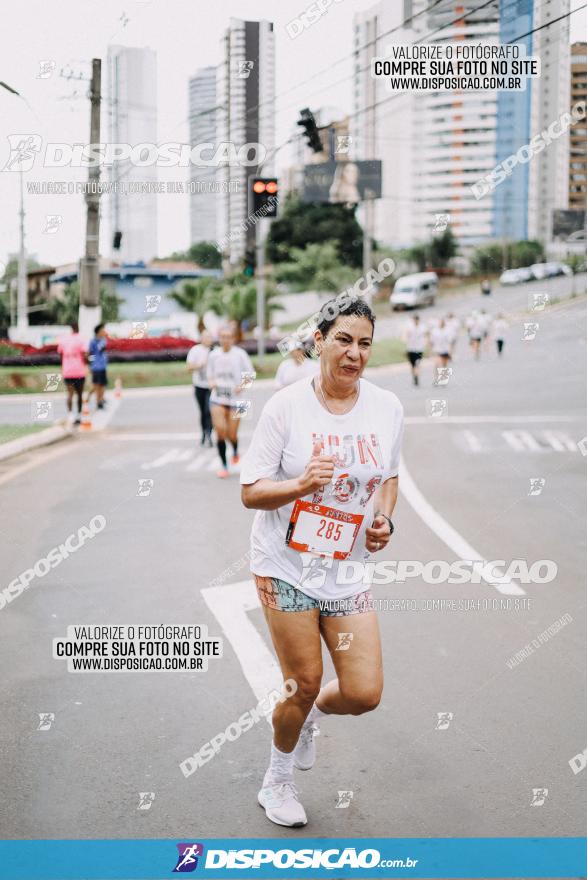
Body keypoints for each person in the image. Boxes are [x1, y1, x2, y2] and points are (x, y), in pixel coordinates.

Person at [240, 297, 404, 827]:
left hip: (346, 569)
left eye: (363, 344)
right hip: (285, 566)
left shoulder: (387, 408)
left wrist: (383, 520)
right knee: (303, 681)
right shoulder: (286, 408)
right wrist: (300, 485)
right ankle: (277, 781)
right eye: (343, 340)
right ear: (318, 342)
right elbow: (251, 491)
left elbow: (390, 477)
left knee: (363, 693)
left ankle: (308, 717)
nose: (354, 353)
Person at [207, 325, 254, 478]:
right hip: (217, 398)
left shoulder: (240, 354)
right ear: (219, 338)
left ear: (233, 339)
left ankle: (234, 450)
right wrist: (212, 383)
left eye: (228, 337)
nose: (225, 340)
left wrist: (241, 386)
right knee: (220, 432)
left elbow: (251, 375)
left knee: (232, 435)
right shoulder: (214, 355)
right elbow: (210, 375)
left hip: (238, 400)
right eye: (223, 337)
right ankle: (224, 466)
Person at [57, 321, 87, 425]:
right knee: (79, 394)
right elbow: (85, 354)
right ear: (78, 327)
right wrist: (87, 362)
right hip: (79, 371)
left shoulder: (64, 339)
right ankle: (79, 416)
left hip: (68, 371)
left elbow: (60, 354)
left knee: (70, 394)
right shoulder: (81, 339)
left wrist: (64, 365)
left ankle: (70, 415)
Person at [186, 330, 214, 446]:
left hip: (211, 387)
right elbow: (188, 367)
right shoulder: (195, 350)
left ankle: (209, 434)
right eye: (206, 337)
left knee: (209, 411)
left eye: (210, 337)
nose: (209, 339)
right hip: (199, 386)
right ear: (201, 338)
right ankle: (204, 433)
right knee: (203, 411)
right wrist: (200, 365)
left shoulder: (215, 351)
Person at [403, 314, 428, 386]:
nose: (416, 321)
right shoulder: (410, 327)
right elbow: (406, 336)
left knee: (417, 363)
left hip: (419, 349)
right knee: (412, 365)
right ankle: (414, 376)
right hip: (411, 349)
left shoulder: (422, 327)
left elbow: (426, 335)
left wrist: (425, 343)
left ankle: (416, 377)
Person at [88, 323, 108, 410]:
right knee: (96, 385)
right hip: (96, 367)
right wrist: (90, 365)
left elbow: (103, 350)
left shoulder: (103, 340)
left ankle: (100, 400)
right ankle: (95, 400)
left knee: (102, 384)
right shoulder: (93, 341)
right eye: (102, 330)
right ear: (98, 331)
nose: (104, 331)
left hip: (103, 366)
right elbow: (90, 354)